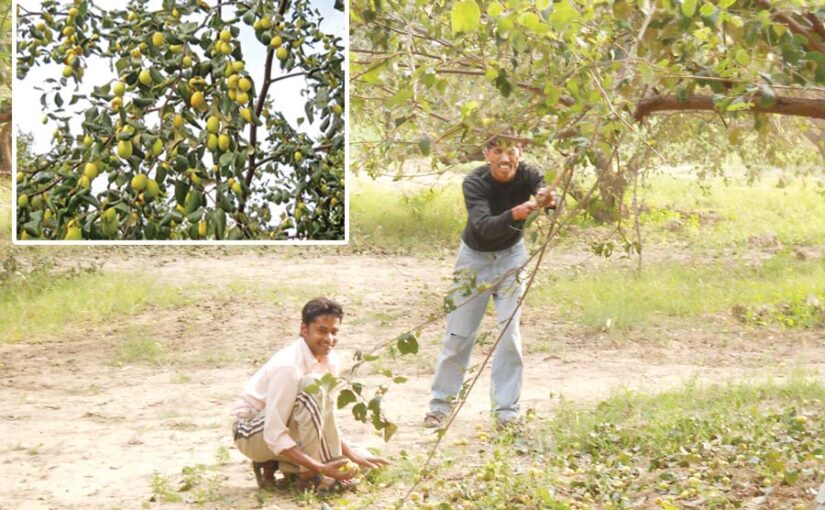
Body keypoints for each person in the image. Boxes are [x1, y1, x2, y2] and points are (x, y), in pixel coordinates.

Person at [425, 135, 555, 429]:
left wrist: (549, 200)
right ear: (487, 153)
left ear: (520, 153)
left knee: (510, 336)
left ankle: (506, 412)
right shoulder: (474, 182)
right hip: (474, 260)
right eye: (498, 151)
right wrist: (515, 213)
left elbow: (546, 198)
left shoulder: (529, 174)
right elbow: (484, 226)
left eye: (512, 151)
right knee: (459, 335)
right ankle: (440, 406)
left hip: (512, 258)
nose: (505, 158)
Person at [231, 297, 389, 491]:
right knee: (312, 386)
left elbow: (324, 419)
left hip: (288, 425)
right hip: (250, 431)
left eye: (334, 332)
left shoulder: (331, 360)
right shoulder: (288, 366)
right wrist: (320, 466)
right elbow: (274, 432)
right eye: (322, 330)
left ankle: (287, 466)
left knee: (364, 462)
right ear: (304, 329)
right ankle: (307, 475)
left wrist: (351, 455)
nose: (329, 339)